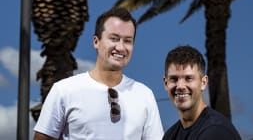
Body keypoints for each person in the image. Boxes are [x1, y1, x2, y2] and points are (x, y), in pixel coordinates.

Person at [33, 7, 164, 140]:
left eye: (128, 41)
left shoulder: (144, 95)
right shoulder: (64, 91)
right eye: (114, 38)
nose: (121, 47)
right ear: (96, 42)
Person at [162, 45, 241, 140]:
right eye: (174, 79)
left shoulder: (216, 131)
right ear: (166, 83)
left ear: (203, 83)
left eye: (189, 78)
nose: (180, 86)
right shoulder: (170, 135)